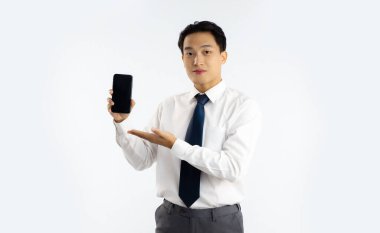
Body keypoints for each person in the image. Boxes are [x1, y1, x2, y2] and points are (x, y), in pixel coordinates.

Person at [107, 21, 262, 233]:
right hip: (172, 220)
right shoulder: (169, 106)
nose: (197, 60)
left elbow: (233, 167)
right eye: (189, 54)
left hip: (220, 222)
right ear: (182, 59)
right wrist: (122, 121)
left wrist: (176, 145)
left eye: (206, 51)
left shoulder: (242, 107)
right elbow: (141, 160)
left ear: (223, 57)